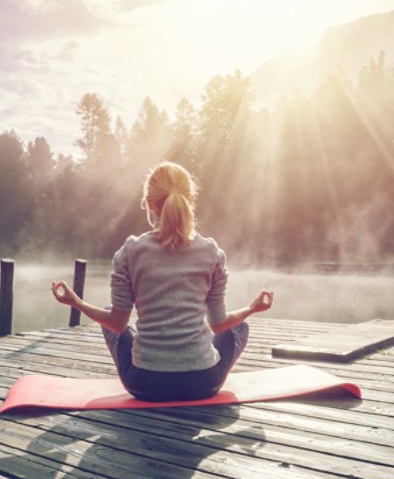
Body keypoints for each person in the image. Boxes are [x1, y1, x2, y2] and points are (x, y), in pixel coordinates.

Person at [52, 161, 273, 402]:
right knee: (239, 326)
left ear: (149, 203)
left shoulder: (130, 252)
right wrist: (253, 308)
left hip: (145, 385)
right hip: (204, 383)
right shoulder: (212, 253)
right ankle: (196, 357)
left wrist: (76, 303)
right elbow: (219, 324)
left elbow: (116, 323)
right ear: (191, 200)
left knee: (112, 316)